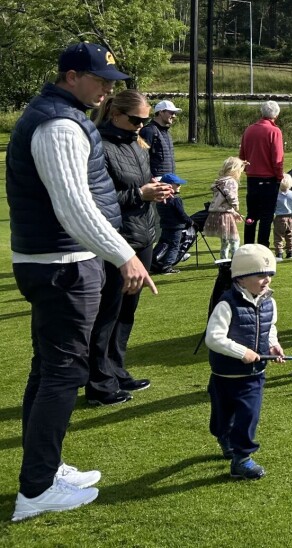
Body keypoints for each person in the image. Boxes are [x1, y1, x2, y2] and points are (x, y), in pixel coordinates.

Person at [7, 42, 155, 522]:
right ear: (71, 76)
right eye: (100, 79)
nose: (109, 88)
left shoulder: (62, 116)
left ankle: (45, 471)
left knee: (49, 368)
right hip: (63, 264)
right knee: (63, 373)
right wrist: (124, 254)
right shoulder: (59, 125)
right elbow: (74, 206)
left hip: (58, 261)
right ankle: (36, 490)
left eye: (112, 80)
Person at [85, 89, 172, 407]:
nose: (141, 125)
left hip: (143, 234)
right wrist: (141, 194)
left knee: (126, 312)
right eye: (136, 119)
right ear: (114, 114)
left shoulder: (137, 142)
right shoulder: (98, 145)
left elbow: (142, 182)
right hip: (115, 240)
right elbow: (96, 201)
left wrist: (159, 189)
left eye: (145, 120)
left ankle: (116, 370)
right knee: (107, 312)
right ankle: (99, 383)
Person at [205, 244, 283, 480]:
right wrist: (242, 352)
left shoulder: (269, 302)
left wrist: (273, 344)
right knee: (222, 417)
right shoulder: (226, 304)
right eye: (261, 275)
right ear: (241, 277)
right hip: (224, 375)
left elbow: (270, 328)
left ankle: (242, 459)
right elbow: (213, 338)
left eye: (270, 274)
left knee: (248, 415)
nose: (267, 280)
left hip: (253, 376)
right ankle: (224, 437)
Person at [239, 100, 284, 246]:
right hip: (269, 179)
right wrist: (279, 176)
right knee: (266, 216)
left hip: (252, 179)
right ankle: (263, 245)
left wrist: (246, 170)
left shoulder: (249, 129)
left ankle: (248, 245)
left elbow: (242, 155)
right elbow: (277, 158)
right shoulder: (274, 131)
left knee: (252, 214)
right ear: (276, 115)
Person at [205, 157, 246, 260]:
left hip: (217, 213)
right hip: (225, 215)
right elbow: (231, 196)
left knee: (225, 240)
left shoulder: (219, 181)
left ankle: (224, 259)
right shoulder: (231, 182)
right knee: (234, 239)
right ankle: (236, 259)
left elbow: (222, 199)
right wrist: (236, 206)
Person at [151, 174, 192, 274]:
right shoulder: (175, 199)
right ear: (169, 185)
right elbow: (181, 214)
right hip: (176, 227)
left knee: (162, 244)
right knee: (174, 246)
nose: (179, 186)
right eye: (177, 184)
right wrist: (190, 221)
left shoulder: (160, 199)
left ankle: (153, 262)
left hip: (165, 225)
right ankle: (167, 266)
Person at [139, 99, 180, 177]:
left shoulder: (167, 132)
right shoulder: (149, 131)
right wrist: (150, 178)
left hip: (169, 178)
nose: (174, 116)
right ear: (161, 112)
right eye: (171, 113)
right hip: (156, 180)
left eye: (174, 113)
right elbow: (141, 158)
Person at [273, 174, 292, 261]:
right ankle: (290, 252)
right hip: (291, 218)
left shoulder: (276, 195)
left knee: (278, 236)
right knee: (290, 235)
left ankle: (279, 253)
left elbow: (272, 206)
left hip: (279, 218)